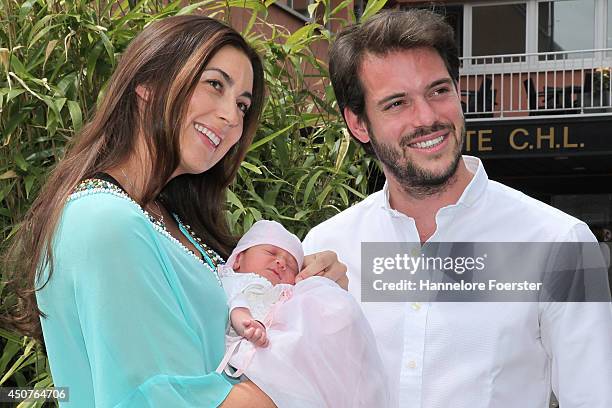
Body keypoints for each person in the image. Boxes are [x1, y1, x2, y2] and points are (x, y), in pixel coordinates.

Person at [1, 15, 346, 407]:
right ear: (148, 85)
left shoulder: (171, 220)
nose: (232, 118)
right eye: (214, 84)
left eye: (242, 105)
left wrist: (311, 292)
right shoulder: (105, 221)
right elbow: (161, 397)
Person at [303, 9, 612, 407]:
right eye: (397, 103)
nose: (428, 117)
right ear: (359, 124)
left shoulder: (561, 242)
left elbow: (594, 397)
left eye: (438, 90)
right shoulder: (329, 247)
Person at [215, 220, 389, 408]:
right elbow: (237, 303)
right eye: (270, 253)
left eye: (291, 265)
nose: (281, 262)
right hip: (252, 365)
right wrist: (246, 321)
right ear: (238, 259)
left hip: (292, 368)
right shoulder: (233, 281)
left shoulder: (291, 295)